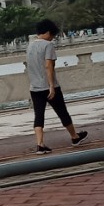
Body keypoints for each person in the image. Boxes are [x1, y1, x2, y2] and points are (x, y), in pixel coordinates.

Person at [25, 19, 88, 153]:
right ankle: (74, 137)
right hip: (48, 87)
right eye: (53, 35)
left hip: (34, 88)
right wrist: (51, 86)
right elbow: (48, 66)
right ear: (48, 32)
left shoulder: (30, 46)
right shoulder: (48, 45)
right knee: (62, 112)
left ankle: (40, 144)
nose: (52, 38)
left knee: (39, 115)